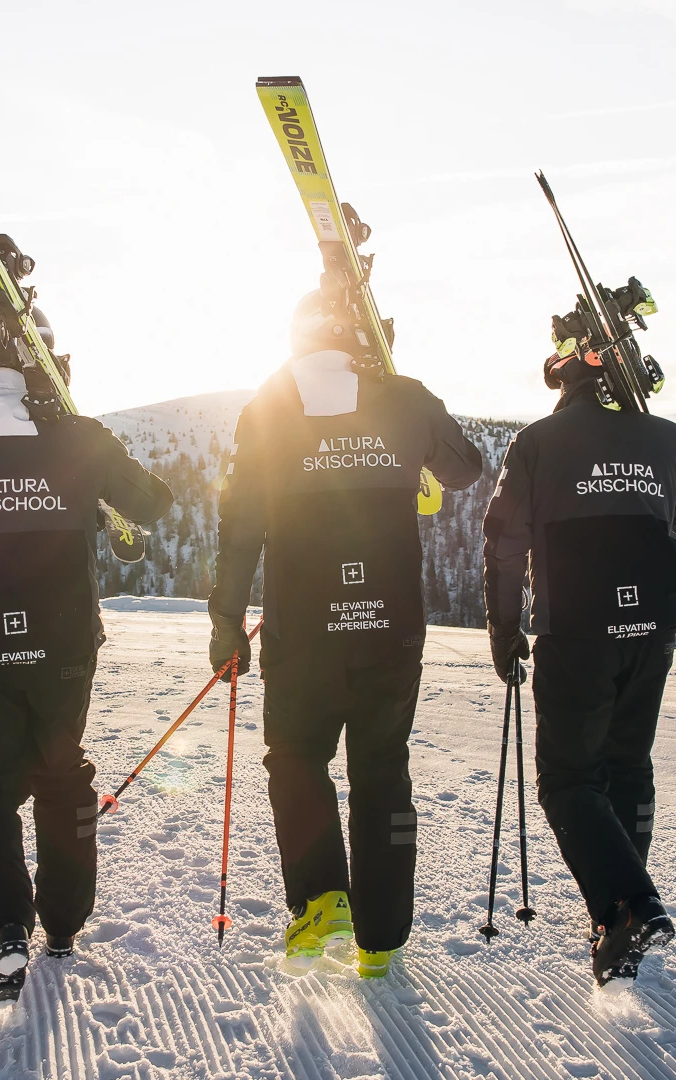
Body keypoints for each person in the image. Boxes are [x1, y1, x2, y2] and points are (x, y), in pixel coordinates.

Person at [0, 310, 172, 1002]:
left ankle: (3, 929)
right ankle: (64, 924)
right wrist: (85, 446)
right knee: (61, 776)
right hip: (64, 649)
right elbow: (153, 504)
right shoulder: (77, 439)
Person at [208, 291, 484, 980]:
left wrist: (227, 622)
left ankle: (321, 899)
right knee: (382, 771)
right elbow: (465, 468)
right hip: (391, 628)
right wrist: (403, 410)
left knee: (296, 757)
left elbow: (239, 529)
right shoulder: (403, 398)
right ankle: (382, 939)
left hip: (303, 631)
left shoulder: (268, 408)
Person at [481, 349, 676, 986]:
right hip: (653, 629)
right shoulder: (670, 437)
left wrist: (504, 628)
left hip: (577, 629)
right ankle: (618, 913)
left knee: (568, 777)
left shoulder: (537, 442)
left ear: (567, 377)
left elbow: (504, 542)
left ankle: (626, 908)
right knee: (627, 765)